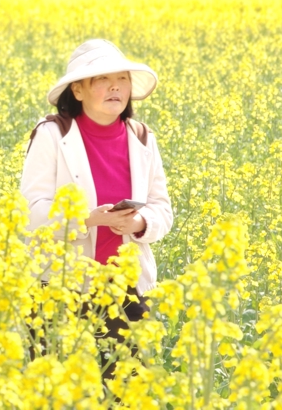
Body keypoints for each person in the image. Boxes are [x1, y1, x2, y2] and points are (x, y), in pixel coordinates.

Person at [21, 39, 174, 374]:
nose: (115, 87)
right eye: (102, 80)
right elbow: (31, 211)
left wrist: (139, 223)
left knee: (127, 393)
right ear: (77, 91)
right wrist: (87, 220)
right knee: (55, 391)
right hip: (60, 287)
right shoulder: (51, 134)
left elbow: (162, 209)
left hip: (126, 291)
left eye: (122, 79)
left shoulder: (143, 138)